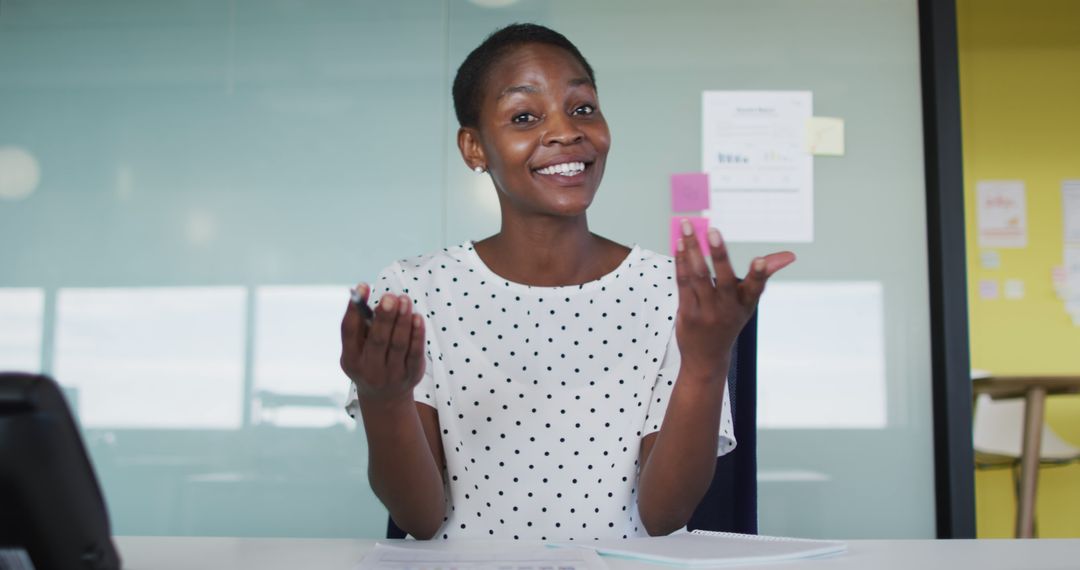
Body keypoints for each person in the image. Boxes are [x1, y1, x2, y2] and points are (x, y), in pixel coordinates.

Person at [341, 23, 794, 541]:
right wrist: (384, 398)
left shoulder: (670, 291)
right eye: (525, 116)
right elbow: (419, 519)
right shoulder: (414, 291)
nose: (565, 131)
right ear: (474, 147)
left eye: (582, 108)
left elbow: (663, 516)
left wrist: (709, 364)